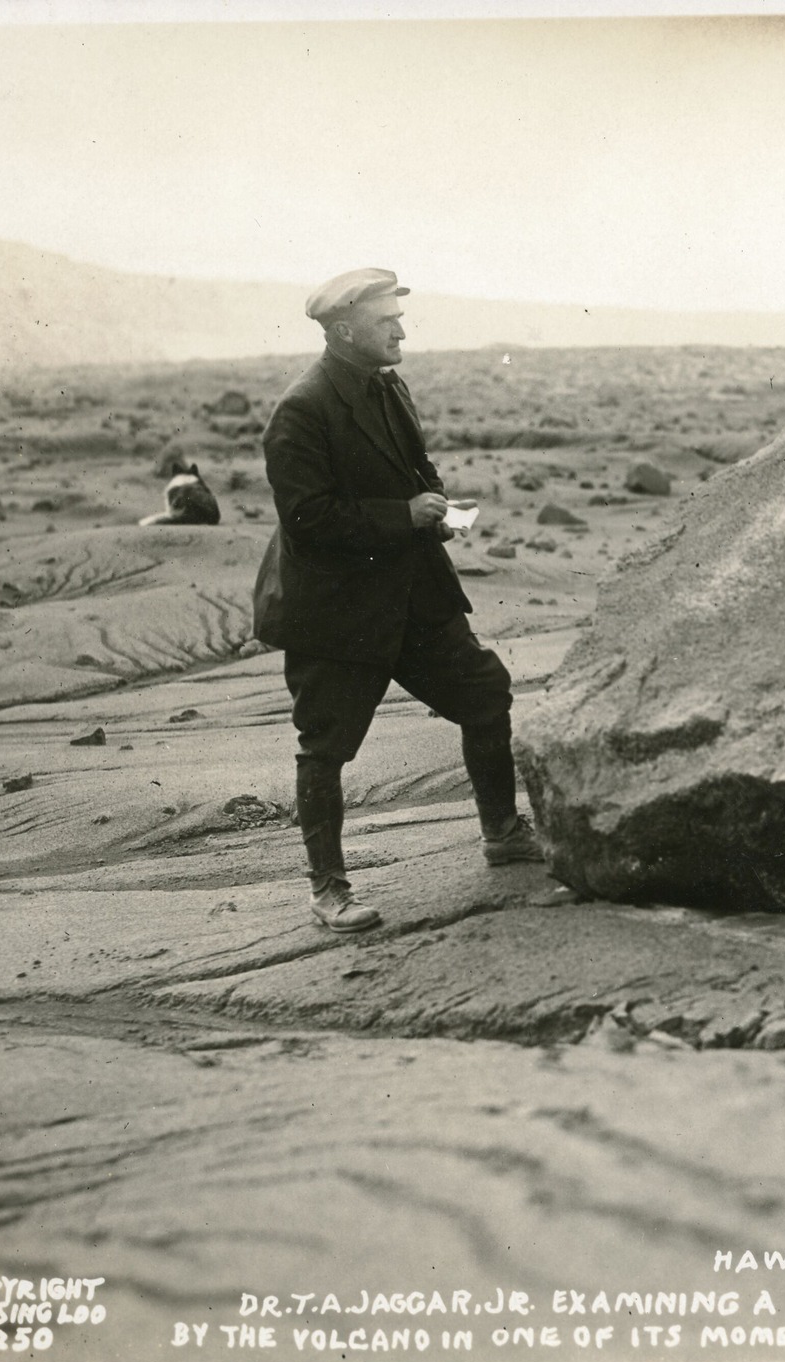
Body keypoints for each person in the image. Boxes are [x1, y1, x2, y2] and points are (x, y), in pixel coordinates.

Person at [254, 267, 543, 933]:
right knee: (325, 748)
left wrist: (434, 507)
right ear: (346, 328)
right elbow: (307, 520)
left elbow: (419, 469)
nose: (401, 330)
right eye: (388, 322)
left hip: (411, 593)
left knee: (484, 692)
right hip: (336, 613)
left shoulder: (389, 387)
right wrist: (401, 515)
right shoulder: (302, 410)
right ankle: (328, 891)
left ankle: (502, 834)